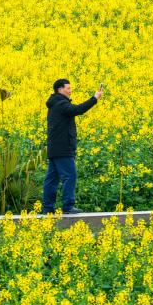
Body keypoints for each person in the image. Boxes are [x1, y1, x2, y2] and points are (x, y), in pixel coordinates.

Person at [42, 79, 104, 214]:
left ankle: (47, 208)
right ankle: (68, 206)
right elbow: (78, 109)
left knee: (52, 179)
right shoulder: (60, 104)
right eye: (68, 88)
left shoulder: (55, 103)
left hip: (55, 148)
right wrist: (94, 98)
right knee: (70, 176)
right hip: (62, 148)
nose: (70, 91)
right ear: (60, 89)